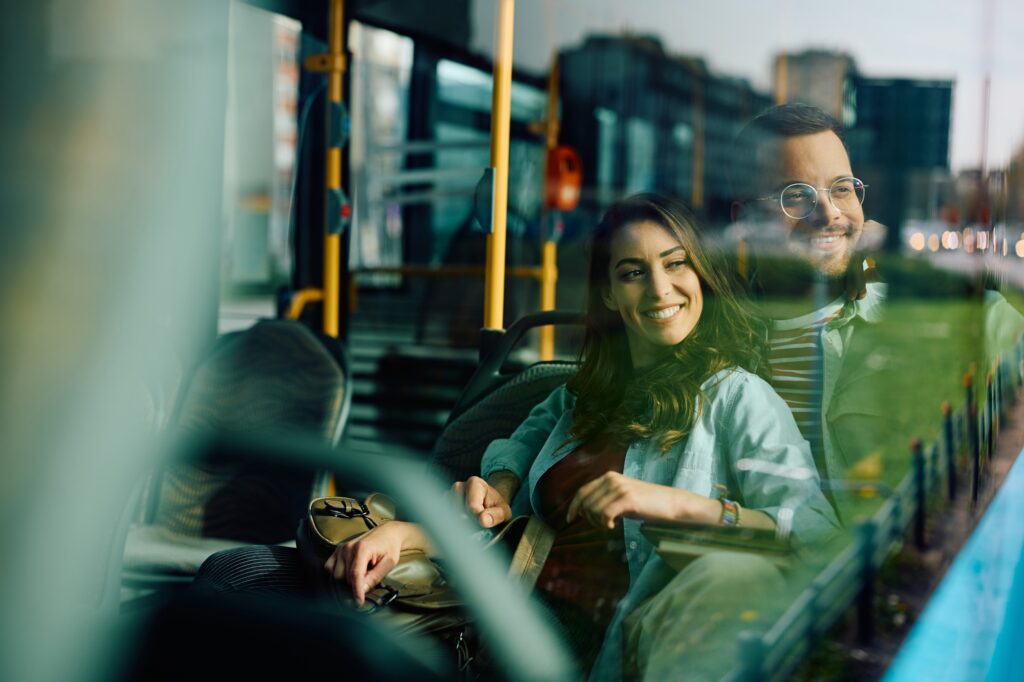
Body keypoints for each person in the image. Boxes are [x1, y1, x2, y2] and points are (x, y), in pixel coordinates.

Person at [329, 193, 838, 681]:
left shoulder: (739, 398)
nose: (660, 289)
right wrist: (427, 525)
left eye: (676, 263)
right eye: (634, 273)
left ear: (701, 273)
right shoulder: (579, 398)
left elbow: (814, 530)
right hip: (506, 606)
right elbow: (515, 475)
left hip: (598, 641)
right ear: (611, 294)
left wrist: (674, 505)